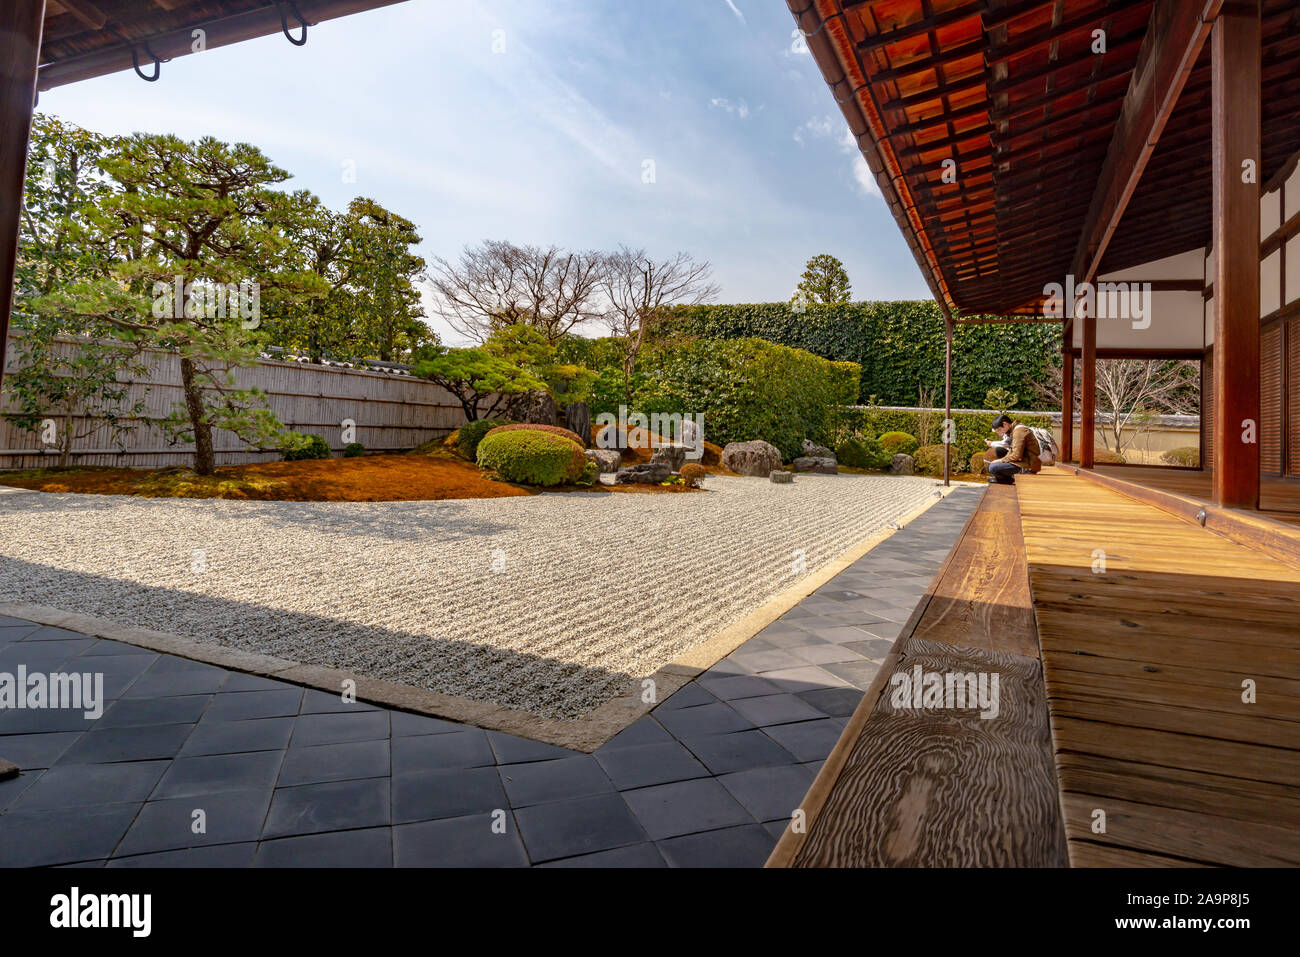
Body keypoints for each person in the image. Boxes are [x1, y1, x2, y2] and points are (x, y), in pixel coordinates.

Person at [987, 413, 1041, 485]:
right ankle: (1005, 478)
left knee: (992, 467)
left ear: (1005, 424)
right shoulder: (1014, 430)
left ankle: (1009, 479)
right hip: (1024, 459)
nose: (999, 433)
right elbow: (1013, 451)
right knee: (999, 451)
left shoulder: (1019, 431)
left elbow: (1016, 455)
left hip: (1028, 464)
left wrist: (1000, 460)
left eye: (999, 430)